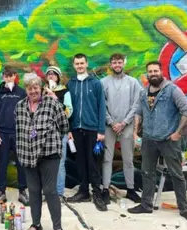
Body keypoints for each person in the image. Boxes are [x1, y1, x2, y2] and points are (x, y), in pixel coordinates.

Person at [128, 61, 187, 223]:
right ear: (147, 74)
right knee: (147, 173)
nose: (153, 73)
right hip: (149, 140)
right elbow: (139, 112)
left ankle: (184, 209)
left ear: (161, 72)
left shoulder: (172, 90)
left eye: (155, 70)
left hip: (168, 141)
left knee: (177, 175)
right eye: (150, 71)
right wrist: (135, 132)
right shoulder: (144, 92)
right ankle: (146, 205)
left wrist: (177, 133)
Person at [15, 73, 69, 230]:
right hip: (28, 154)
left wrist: (49, 138)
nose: (33, 91)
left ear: (41, 88)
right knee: (33, 190)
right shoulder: (19, 106)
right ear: (26, 89)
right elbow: (19, 129)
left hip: (49, 154)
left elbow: (64, 126)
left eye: (36, 87)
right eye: (30, 88)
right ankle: (36, 223)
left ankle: (58, 228)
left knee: (50, 190)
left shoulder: (52, 104)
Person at [66, 53, 107, 212]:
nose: (80, 66)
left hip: (93, 130)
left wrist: (101, 130)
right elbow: (67, 108)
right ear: (74, 65)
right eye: (77, 63)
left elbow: (102, 107)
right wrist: (69, 129)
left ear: (86, 63)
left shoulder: (96, 84)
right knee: (80, 162)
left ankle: (97, 193)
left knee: (94, 163)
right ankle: (83, 191)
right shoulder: (70, 84)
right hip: (76, 129)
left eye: (82, 63)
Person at [100, 53, 142, 204]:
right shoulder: (103, 82)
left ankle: (130, 190)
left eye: (119, 62)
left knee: (128, 159)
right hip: (109, 125)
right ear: (110, 65)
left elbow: (136, 104)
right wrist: (112, 122)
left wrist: (124, 123)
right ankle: (105, 189)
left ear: (123, 63)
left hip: (127, 125)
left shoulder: (133, 82)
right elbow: (101, 105)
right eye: (114, 62)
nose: (117, 65)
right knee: (107, 158)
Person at [0, 66, 29, 206]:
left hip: (19, 133)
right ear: (3, 77)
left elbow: (28, 112)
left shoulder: (22, 92)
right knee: (2, 164)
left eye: (11, 75)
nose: (8, 78)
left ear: (15, 76)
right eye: (6, 76)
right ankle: (1, 192)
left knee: (21, 164)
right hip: (3, 134)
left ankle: (23, 192)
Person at [43, 66, 73, 201]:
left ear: (58, 77)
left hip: (60, 132)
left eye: (53, 74)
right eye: (48, 74)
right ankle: (47, 192)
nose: (51, 76)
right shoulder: (41, 91)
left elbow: (68, 112)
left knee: (60, 163)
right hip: (45, 132)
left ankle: (59, 193)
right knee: (45, 163)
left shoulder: (64, 92)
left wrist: (55, 97)